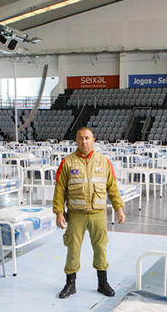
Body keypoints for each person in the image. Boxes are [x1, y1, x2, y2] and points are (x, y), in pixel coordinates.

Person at [52, 127, 125, 298]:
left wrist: (118, 208)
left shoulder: (104, 161)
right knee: (73, 248)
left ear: (93, 140)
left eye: (87, 138)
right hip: (76, 214)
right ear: (76, 141)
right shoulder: (68, 162)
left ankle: (102, 282)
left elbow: (112, 187)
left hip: (98, 213)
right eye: (80, 138)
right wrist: (59, 212)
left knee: (100, 247)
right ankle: (70, 284)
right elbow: (60, 189)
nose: (84, 141)